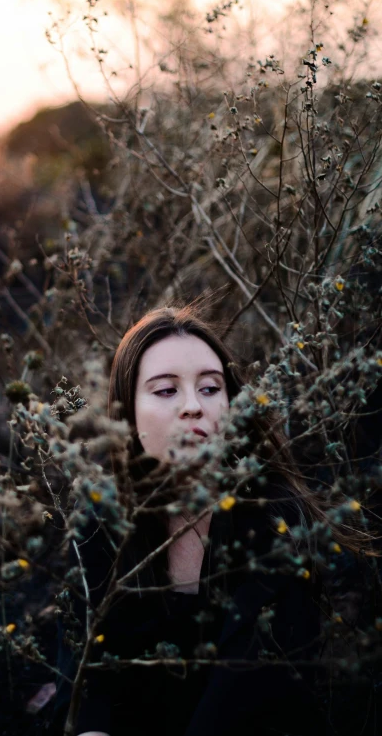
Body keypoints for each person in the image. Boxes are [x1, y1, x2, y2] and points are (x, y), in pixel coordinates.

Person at [52, 304, 374, 736]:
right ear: (126, 413)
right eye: (166, 390)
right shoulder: (99, 523)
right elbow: (83, 678)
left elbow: (245, 693)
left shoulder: (274, 517)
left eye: (209, 388)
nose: (192, 406)